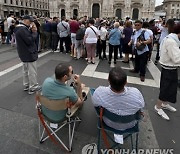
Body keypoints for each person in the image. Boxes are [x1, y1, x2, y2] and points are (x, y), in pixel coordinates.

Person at [154, 23, 180, 121]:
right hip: (169, 67)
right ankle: (158, 106)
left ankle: (164, 104)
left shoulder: (173, 40)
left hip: (172, 67)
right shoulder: (171, 41)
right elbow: (176, 58)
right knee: (166, 88)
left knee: (172, 87)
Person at [14, 15, 41, 94]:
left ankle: (26, 85)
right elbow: (30, 40)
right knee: (32, 71)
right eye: (30, 21)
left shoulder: (19, 28)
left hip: (23, 52)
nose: (31, 22)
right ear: (25, 20)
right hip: (29, 53)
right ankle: (33, 86)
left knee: (25, 70)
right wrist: (34, 32)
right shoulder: (23, 29)